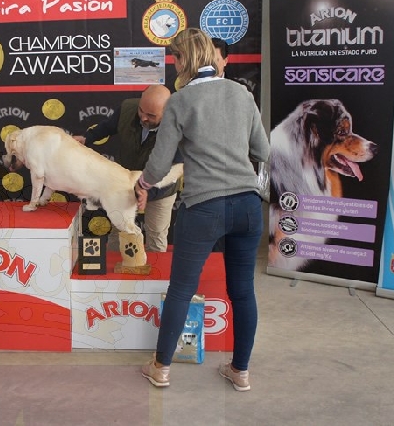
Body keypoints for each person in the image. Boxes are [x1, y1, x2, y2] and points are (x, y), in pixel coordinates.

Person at [135, 28, 270, 391]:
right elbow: (263, 150)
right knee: (243, 292)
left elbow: (159, 165)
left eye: (174, 59)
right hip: (248, 206)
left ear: (184, 59)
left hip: (204, 208)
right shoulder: (242, 93)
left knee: (181, 290)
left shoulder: (180, 102)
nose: (174, 65)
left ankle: (161, 369)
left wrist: (143, 184)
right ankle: (240, 371)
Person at [74, 84, 182, 252]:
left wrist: (147, 191)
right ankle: (113, 268)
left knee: (156, 237)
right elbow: (107, 126)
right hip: (124, 184)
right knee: (118, 232)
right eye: (141, 110)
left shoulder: (180, 129)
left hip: (161, 189)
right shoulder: (127, 108)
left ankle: (155, 268)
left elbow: (172, 173)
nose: (143, 118)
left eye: (151, 115)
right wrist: (87, 138)